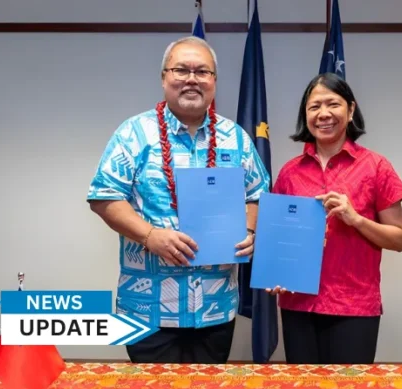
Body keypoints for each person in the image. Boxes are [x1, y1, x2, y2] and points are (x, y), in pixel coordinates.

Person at [86, 36, 270, 364]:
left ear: (214, 81)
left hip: (215, 308)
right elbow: (104, 197)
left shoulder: (237, 137)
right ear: (163, 78)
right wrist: (149, 235)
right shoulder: (133, 133)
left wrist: (251, 232)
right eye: (180, 69)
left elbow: (257, 194)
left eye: (202, 71)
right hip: (148, 311)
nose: (191, 79)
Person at [268, 73, 402, 365]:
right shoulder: (289, 172)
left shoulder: (376, 167)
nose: (323, 114)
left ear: (351, 110)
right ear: (305, 114)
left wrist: (355, 219)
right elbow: (277, 238)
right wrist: (275, 273)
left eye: (333, 104)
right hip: (299, 304)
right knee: (302, 388)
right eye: (314, 107)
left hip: (354, 306)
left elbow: (400, 239)